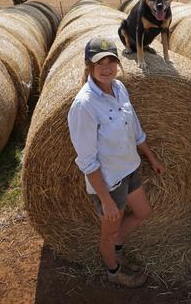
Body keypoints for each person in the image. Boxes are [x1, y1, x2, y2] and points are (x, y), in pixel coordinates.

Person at [68, 37, 165, 287]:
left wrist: (151, 158)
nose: (107, 67)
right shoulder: (84, 105)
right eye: (100, 62)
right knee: (109, 231)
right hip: (109, 182)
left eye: (111, 61)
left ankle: (118, 249)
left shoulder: (120, 88)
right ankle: (114, 271)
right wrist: (106, 200)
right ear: (89, 64)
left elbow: (135, 131)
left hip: (130, 170)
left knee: (143, 212)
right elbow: (87, 161)